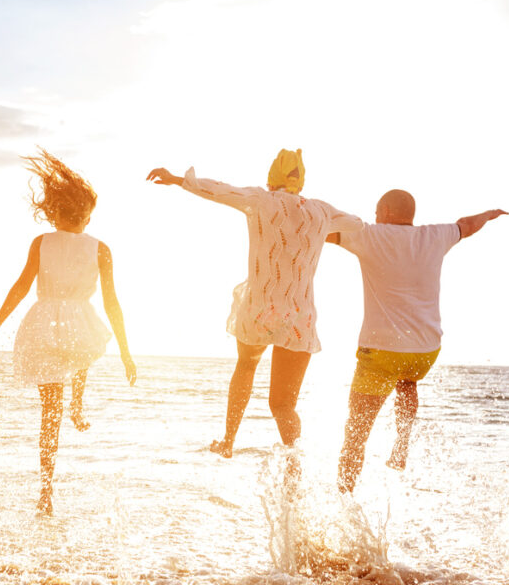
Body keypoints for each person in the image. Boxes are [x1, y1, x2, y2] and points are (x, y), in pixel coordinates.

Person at [147, 150, 364, 459]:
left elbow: (219, 190)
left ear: (270, 178)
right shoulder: (321, 212)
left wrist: (176, 179)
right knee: (283, 405)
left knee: (246, 366)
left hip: (259, 310)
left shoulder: (261, 200)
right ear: (300, 182)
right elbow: (356, 224)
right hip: (298, 317)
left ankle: (228, 441)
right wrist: (316, 230)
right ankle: (293, 465)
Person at [0, 150, 135, 515]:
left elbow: (20, 287)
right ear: (86, 215)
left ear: (55, 210)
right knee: (83, 349)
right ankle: (79, 403)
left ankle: (46, 490)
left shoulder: (42, 242)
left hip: (43, 325)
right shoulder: (101, 249)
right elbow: (112, 304)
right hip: (78, 325)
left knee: (48, 415)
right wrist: (125, 351)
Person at [330, 190, 507, 493]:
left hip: (381, 352)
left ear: (385, 210)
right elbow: (466, 224)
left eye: (376, 210)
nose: (374, 216)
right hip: (425, 351)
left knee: (355, 433)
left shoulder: (370, 235)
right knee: (408, 379)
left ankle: (345, 496)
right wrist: (489, 214)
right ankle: (401, 445)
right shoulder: (435, 236)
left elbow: (328, 234)